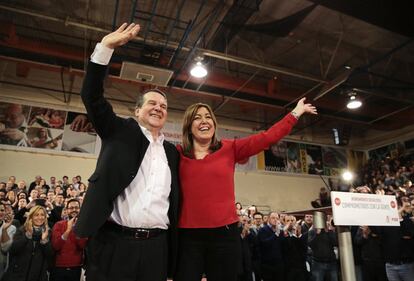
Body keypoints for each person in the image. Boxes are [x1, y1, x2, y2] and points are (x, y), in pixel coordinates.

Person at [74, 22, 180, 281]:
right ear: (137, 111)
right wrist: (105, 48)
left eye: (163, 106)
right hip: (114, 243)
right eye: (152, 103)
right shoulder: (118, 131)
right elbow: (92, 96)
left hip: (157, 247)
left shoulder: (173, 153)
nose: (158, 108)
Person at [174, 99, 317, 281]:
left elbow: (268, 137)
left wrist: (295, 112)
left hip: (224, 236)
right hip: (188, 236)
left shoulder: (229, 148)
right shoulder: (177, 154)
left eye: (208, 117)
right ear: (188, 125)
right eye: (197, 117)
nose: (204, 121)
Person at [2, 205, 53, 281]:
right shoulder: (22, 230)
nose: (40, 217)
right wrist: (27, 236)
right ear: (31, 216)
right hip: (18, 275)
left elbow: (50, 256)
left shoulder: (48, 232)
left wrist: (44, 241)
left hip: (38, 276)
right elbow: (13, 250)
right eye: (36, 215)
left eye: (42, 215)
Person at [51, 199, 87, 281]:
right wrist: (68, 230)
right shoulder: (58, 224)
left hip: (76, 267)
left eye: (76, 207)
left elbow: (82, 245)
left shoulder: (84, 227)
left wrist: (75, 228)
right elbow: (56, 246)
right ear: (67, 210)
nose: (74, 210)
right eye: (71, 208)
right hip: (59, 267)